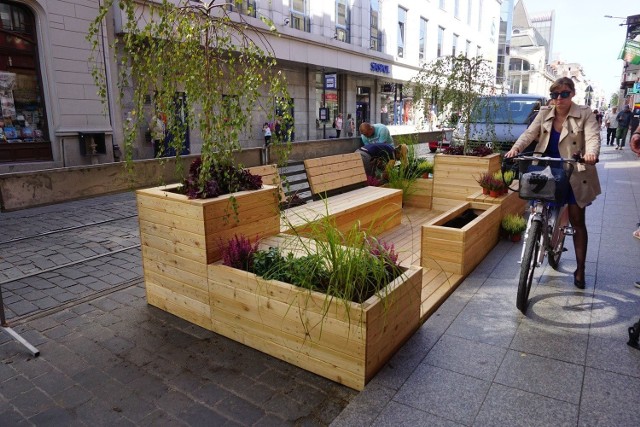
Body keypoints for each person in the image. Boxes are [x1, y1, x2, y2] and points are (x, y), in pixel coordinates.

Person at [505, 77, 601, 289]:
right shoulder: (544, 112)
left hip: (573, 169)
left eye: (564, 94)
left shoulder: (584, 113)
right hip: (547, 167)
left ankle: (581, 268)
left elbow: (593, 136)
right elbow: (529, 134)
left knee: (577, 221)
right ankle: (541, 229)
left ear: (572, 94)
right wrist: (516, 149)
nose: (559, 99)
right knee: (536, 202)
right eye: (555, 95)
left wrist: (591, 153)